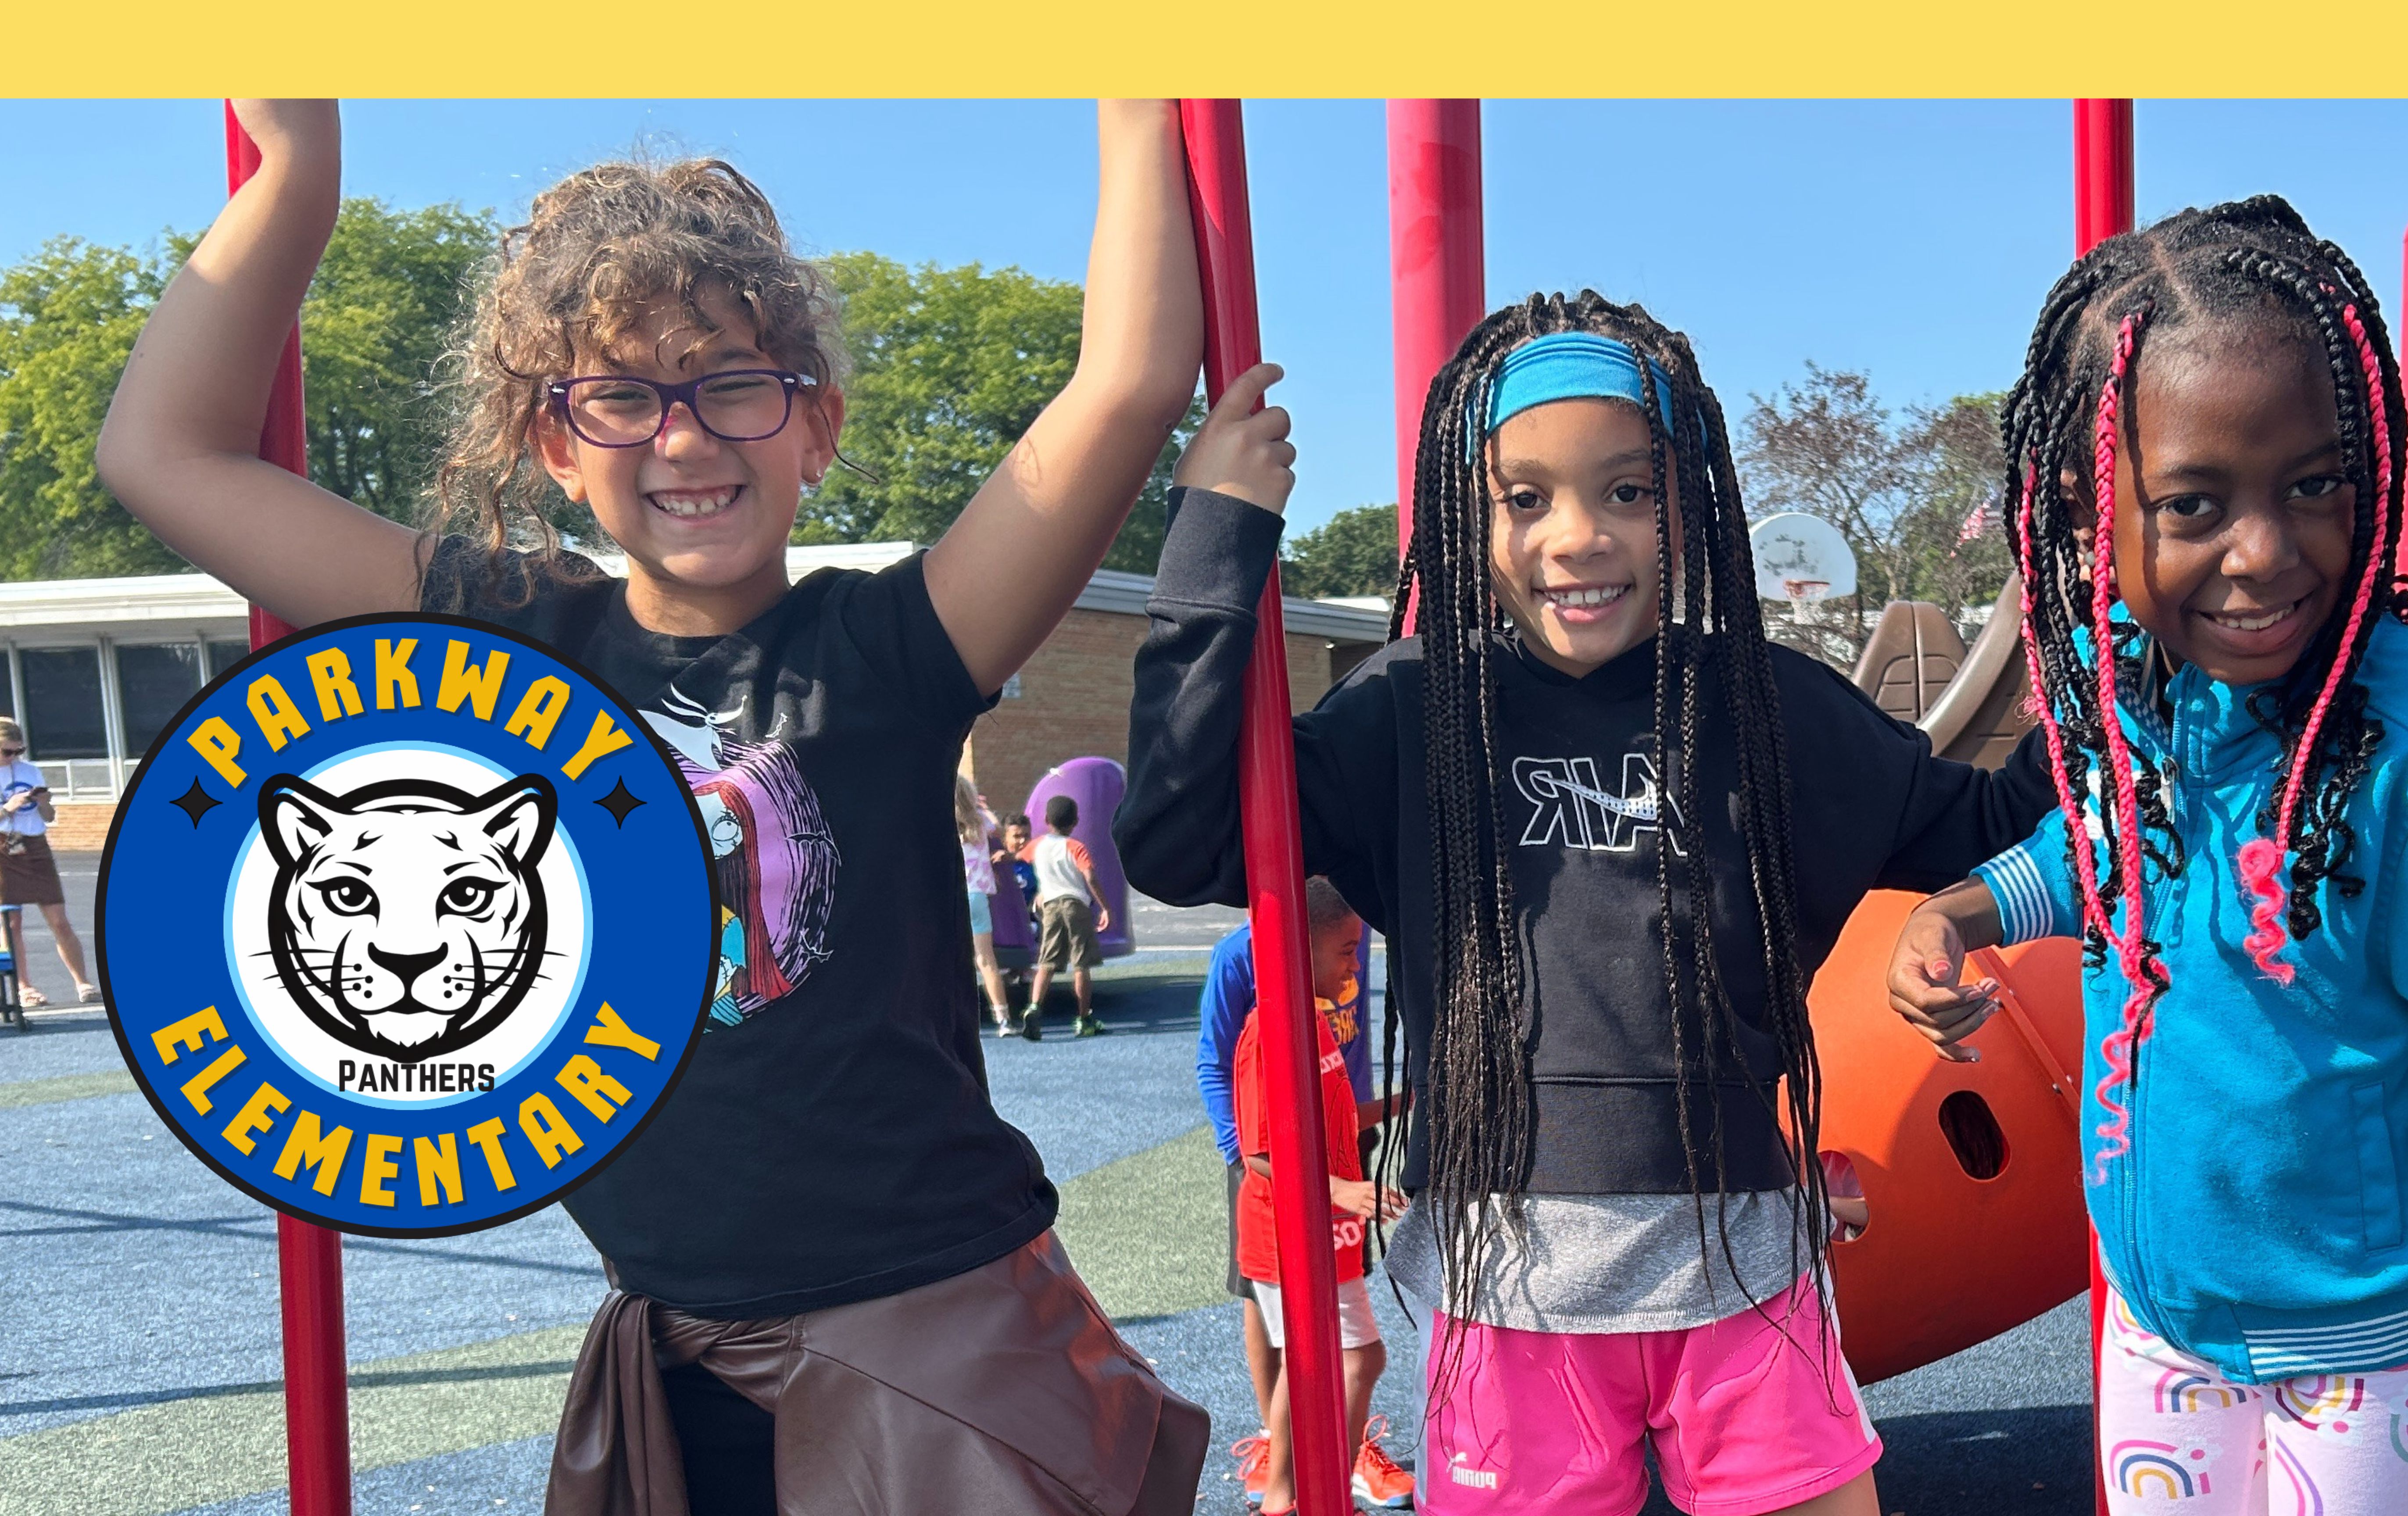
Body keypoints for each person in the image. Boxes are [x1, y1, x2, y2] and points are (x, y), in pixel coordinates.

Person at [95, 98, 1209, 1515]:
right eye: (621, 395)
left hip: (932, 1326)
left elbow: (1123, 385)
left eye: (734, 383)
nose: (682, 438)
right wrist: (299, 173)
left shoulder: (888, 648)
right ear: (556, 443)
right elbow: (166, 458)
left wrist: (1134, 89)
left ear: (816, 424)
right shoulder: (508, 643)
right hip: (674, 1350)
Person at [1123, 293, 2056, 1516]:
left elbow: (2007, 816)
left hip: (1745, 1271)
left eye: (1627, 491)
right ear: (1472, 514)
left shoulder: (1769, 710)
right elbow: (1178, 835)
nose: (1579, 537)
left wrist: (2110, 607)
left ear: (1691, 506)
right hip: (1512, 1299)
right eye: (1527, 498)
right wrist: (1216, 538)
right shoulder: (1411, 711)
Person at [1882, 199, 2408, 1515]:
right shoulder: (2128, 687)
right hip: (2164, 1326)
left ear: (2371, 466)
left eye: (2315, 485)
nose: (2264, 551)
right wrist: (1968, 908)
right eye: (2194, 503)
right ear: (2093, 507)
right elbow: (2105, 846)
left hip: (2371, 1345)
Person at [1220, 878, 1412, 1513]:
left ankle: (1301, 1489)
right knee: (1342, 1360)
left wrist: (1411, 1101)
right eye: (1347, 952)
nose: (1356, 965)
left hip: (1327, 1227)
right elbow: (1262, 1153)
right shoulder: (1270, 1033)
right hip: (1287, 1232)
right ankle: (1307, 1492)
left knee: (1331, 1360)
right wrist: (1344, 1190)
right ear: (1300, 953)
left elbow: (1335, 1117)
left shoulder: (1318, 1022)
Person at [0, 717, 97, 1010]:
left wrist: (43, 803)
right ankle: (24, 987)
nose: (14, 758)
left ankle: (83, 982)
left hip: (35, 846)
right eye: (7, 752)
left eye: (19, 751)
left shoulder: (31, 771)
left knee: (58, 919)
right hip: (4, 848)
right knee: (12, 923)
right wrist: (8, 808)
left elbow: (49, 817)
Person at [1026, 793, 1110, 1038]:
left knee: (1047, 961)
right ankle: (1084, 1018)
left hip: (1050, 907)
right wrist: (1105, 906)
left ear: (1045, 819)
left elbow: (1019, 856)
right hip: (1076, 906)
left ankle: (1034, 1007)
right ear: (1075, 822)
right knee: (1081, 964)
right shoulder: (1075, 847)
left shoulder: (1038, 845)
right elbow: (1090, 876)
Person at [958, 773, 1016, 1032]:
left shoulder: (946, 823)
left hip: (954, 897)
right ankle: (1003, 1018)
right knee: (986, 960)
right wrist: (983, 808)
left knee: (954, 960)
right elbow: (997, 826)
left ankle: (959, 1018)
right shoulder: (980, 823)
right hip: (978, 896)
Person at [997, 810, 1040, 1034]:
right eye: (1016, 836)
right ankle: (1016, 970)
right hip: (1005, 921)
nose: (1022, 841)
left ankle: (1020, 969)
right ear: (1006, 839)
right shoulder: (999, 863)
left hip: (1030, 918)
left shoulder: (1035, 863)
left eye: (1026, 835)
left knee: (1034, 927)